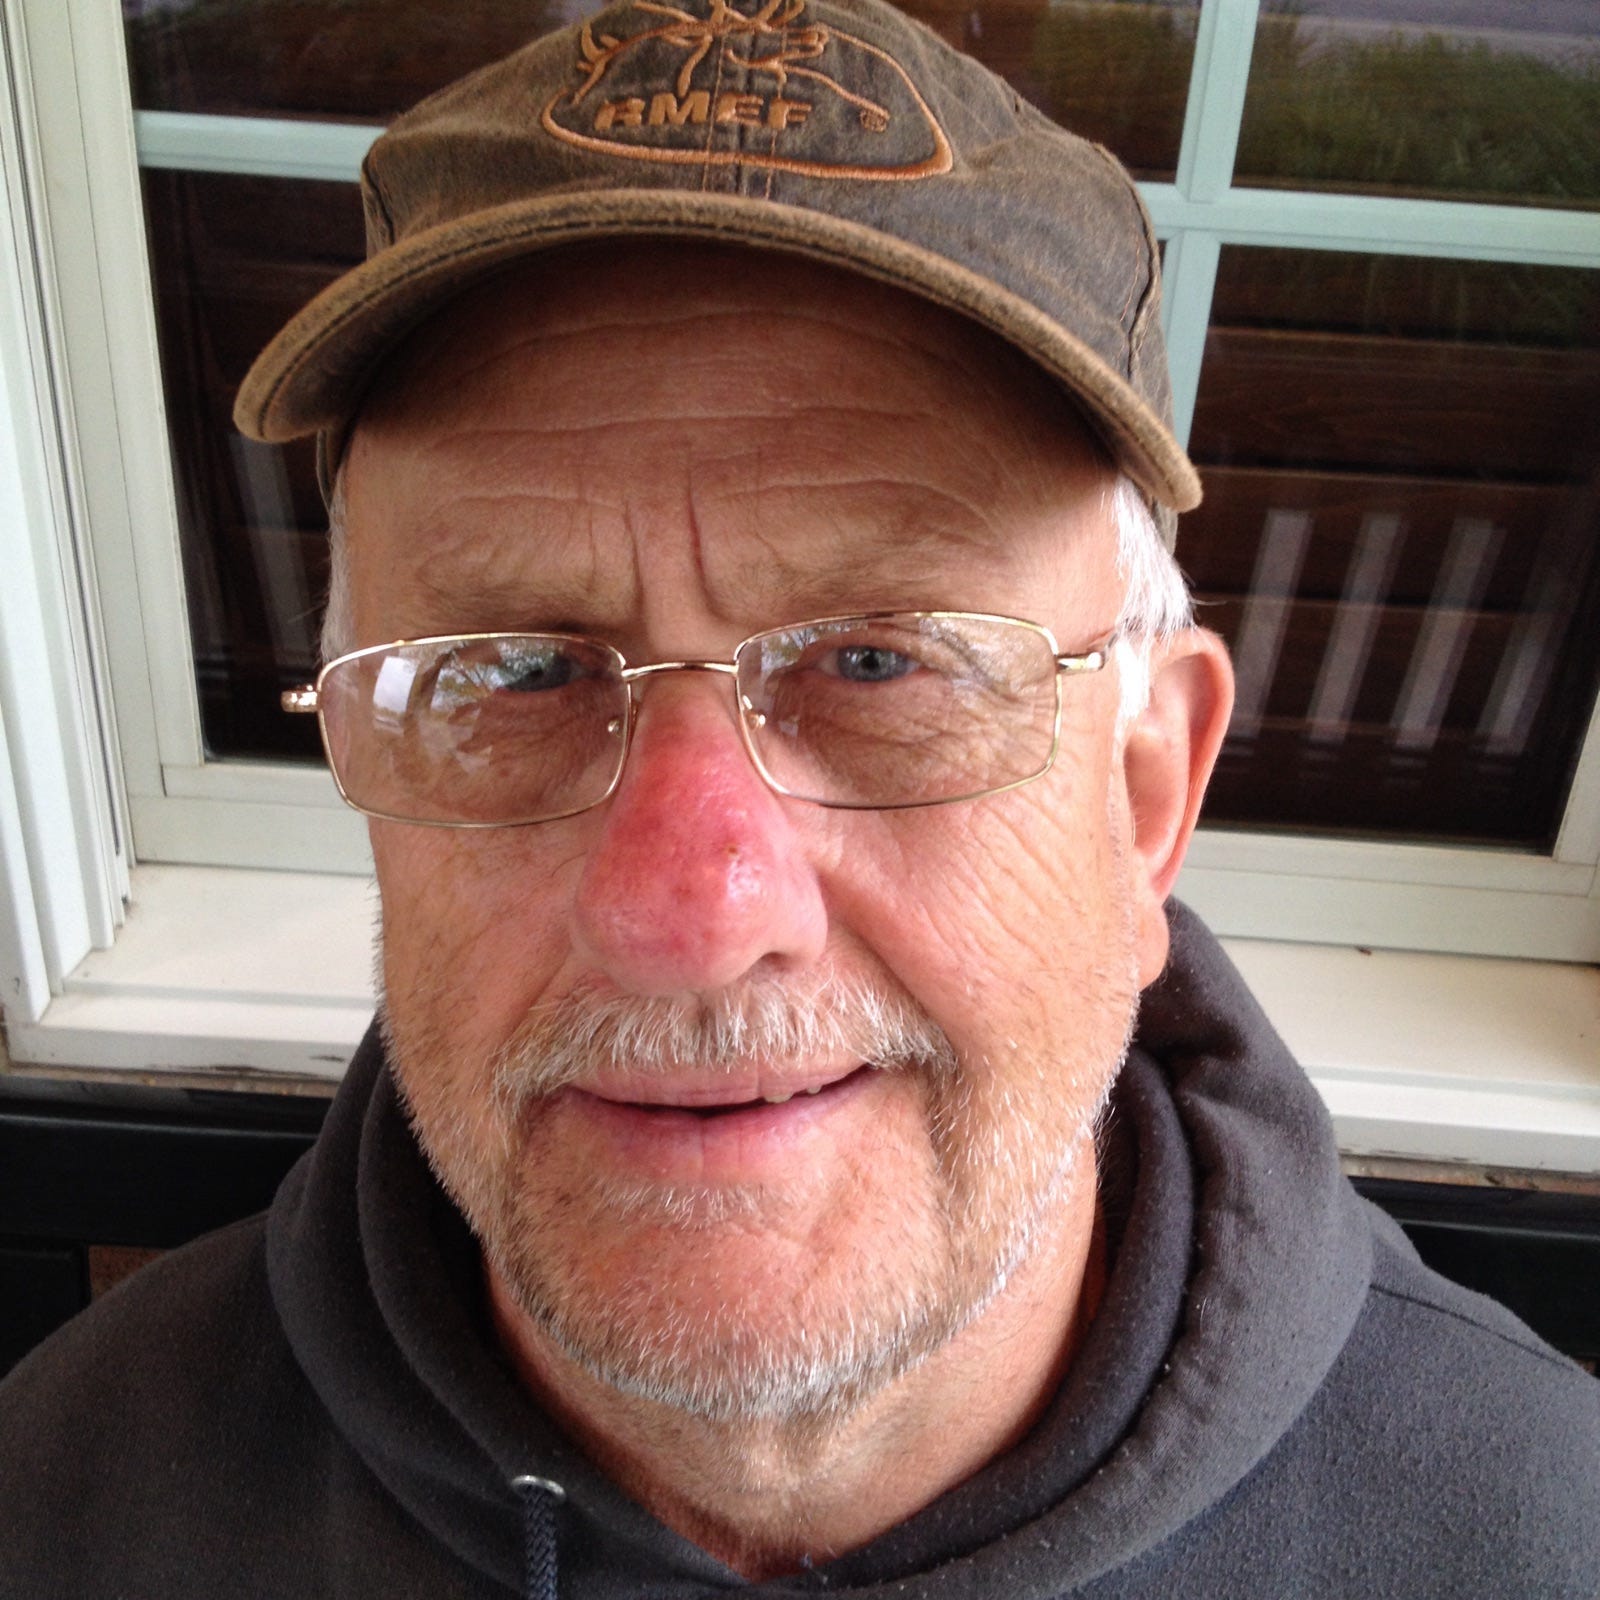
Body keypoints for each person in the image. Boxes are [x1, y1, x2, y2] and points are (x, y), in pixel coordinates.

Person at [3, 0, 1596, 1593]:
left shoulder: (1537, 1537)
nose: (693, 917)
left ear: (1143, 799)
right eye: (518, 674)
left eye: (882, 665)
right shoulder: (70, 1502)